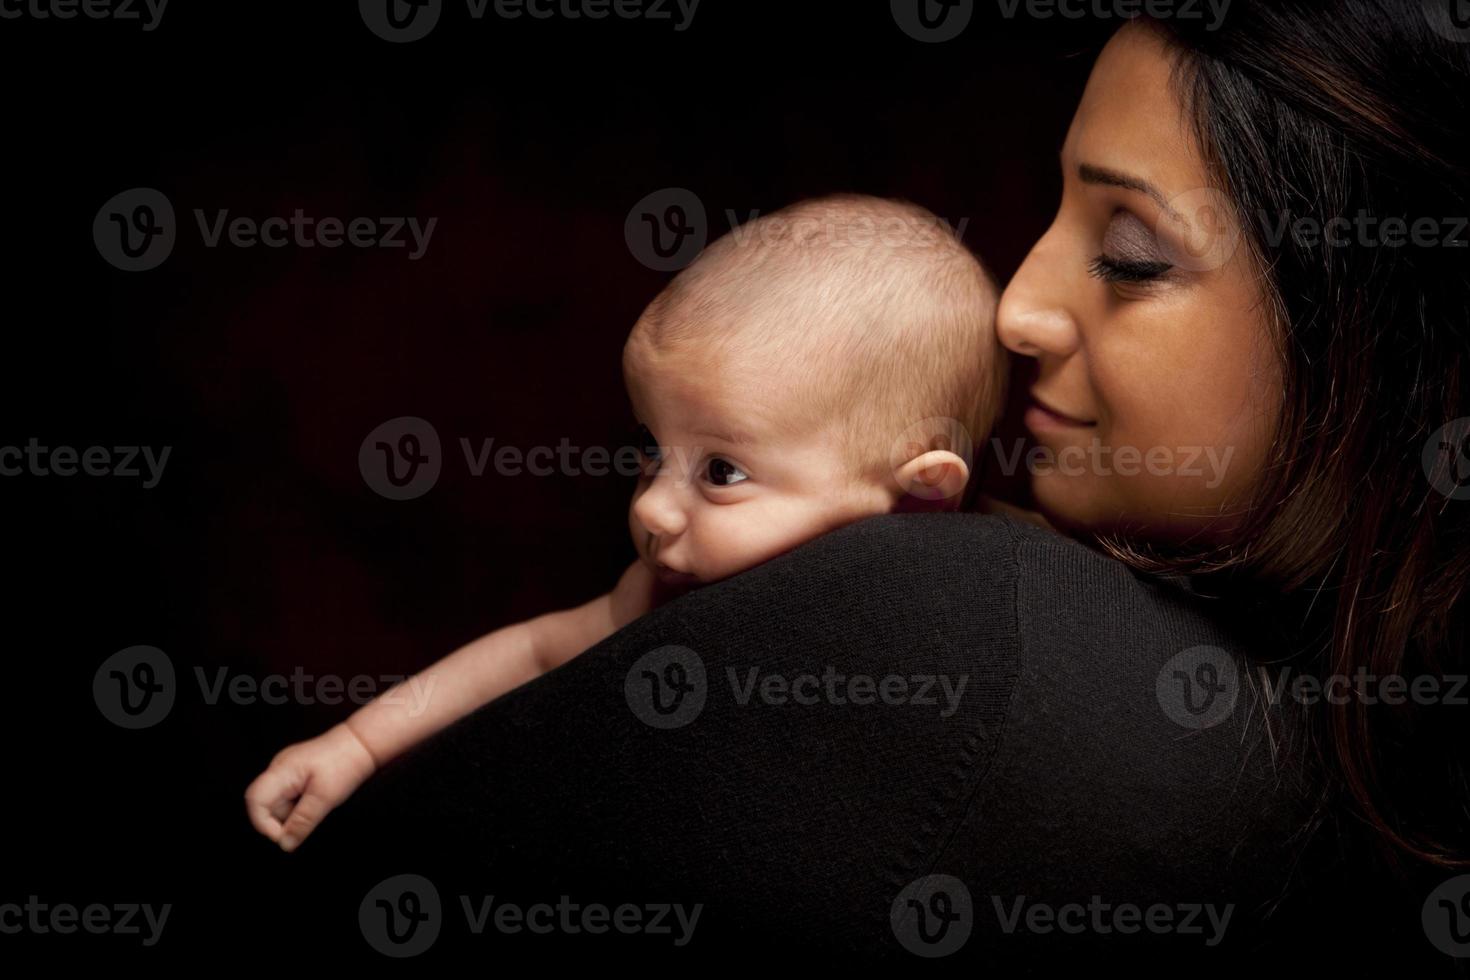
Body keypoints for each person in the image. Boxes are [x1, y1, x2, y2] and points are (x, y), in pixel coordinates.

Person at [280, 2, 1470, 964]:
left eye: (1131, 255)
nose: (1017, 307)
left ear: (1386, 333)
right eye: (1058, 205)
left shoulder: (980, 641)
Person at [245, 192, 1010, 853]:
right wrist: (358, 744)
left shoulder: (969, 626)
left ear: (919, 499)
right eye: (651, 448)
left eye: (722, 472)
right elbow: (538, 650)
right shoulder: (660, 595)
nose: (649, 506)